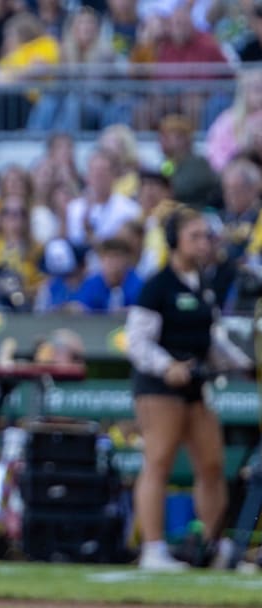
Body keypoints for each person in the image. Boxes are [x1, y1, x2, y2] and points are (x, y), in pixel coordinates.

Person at [125, 208, 252, 571]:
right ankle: (153, 549)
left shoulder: (205, 284)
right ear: (173, 242)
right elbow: (136, 342)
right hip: (159, 388)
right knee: (159, 462)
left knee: (212, 466)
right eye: (194, 236)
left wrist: (242, 362)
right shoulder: (157, 286)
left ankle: (211, 547)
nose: (203, 243)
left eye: (206, 236)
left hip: (197, 387)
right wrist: (167, 366)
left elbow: (210, 340)